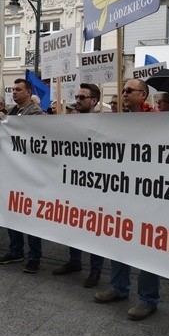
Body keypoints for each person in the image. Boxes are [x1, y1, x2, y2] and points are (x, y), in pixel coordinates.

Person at [94, 78, 161, 320]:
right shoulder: (117, 119)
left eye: (129, 91)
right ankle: (119, 287)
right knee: (119, 240)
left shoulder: (157, 120)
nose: (123, 94)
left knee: (146, 247)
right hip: (121, 190)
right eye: (122, 91)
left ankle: (148, 298)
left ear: (142, 95)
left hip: (147, 192)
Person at [53, 83, 106, 287]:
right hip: (73, 182)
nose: (77, 100)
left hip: (93, 185)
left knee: (94, 229)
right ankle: (74, 261)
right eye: (76, 96)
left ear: (94, 101)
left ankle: (95, 271)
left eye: (82, 97)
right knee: (72, 223)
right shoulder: (71, 122)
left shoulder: (103, 124)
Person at [0, 79, 44, 273]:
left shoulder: (36, 113)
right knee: (12, 212)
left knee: (30, 216)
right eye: (13, 89)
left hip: (30, 173)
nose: (14, 92)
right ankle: (15, 250)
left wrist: (7, 122)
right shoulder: (12, 112)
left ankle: (34, 256)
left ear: (29, 92)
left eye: (18, 90)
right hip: (12, 171)